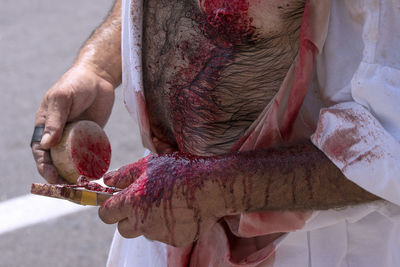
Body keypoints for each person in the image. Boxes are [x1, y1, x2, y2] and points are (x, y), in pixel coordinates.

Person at [31, 0, 400, 266]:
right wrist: (98, 66)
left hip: (313, 248)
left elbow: (392, 143)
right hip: (165, 226)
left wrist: (216, 188)